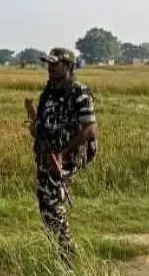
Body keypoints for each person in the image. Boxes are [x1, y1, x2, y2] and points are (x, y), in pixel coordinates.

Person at [30, 48, 98, 264]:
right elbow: (41, 122)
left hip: (67, 157)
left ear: (68, 66)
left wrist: (63, 153)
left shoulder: (79, 91)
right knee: (45, 204)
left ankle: (68, 257)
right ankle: (59, 252)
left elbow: (89, 129)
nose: (49, 68)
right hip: (45, 155)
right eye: (48, 64)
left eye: (54, 64)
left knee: (53, 203)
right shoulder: (48, 92)